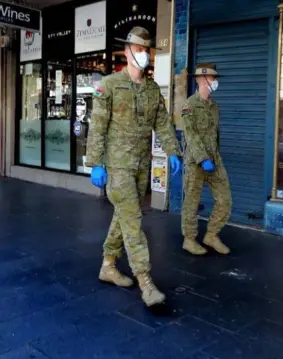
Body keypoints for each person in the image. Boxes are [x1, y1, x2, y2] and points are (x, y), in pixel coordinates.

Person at [85, 27, 182, 307]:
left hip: (141, 165)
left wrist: (173, 150)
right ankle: (146, 281)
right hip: (117, 166)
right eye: (138, 49)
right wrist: (96, 163)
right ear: (127, 51)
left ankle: (108, 264)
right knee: (134, 221)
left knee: (125, 215)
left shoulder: (152, 89)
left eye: (146, 50)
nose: (143, 54)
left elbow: (162, 123)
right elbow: (98, 126)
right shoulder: (110, 84)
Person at [180, 63, 232, 256]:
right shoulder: (189, 106)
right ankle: (189, 239)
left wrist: (213, 156)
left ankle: (211, 234)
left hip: (214, 159)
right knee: (191, 202)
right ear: (202, 79)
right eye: (212, 78)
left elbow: (215, 134)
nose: (215, 82)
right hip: (195, 161)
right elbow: (191, 135)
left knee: (225, 199)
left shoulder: (214, 106)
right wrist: (202, 158)